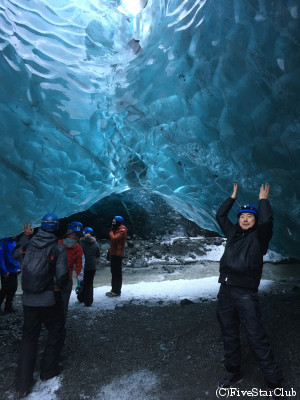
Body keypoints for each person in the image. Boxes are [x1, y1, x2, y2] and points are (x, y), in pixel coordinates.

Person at [215, 183, 283, 396]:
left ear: (254, 221)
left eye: (249, 216)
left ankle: (274, 381)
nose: (245, 219)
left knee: (255, 335)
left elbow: (267, 222)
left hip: (245, 293)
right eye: (242, 216)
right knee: (228, 333)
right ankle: (234, 372)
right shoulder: (233, 233)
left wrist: (263, 201)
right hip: (225, 290)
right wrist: (232, 198)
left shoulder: (259, 239)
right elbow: (220, 216)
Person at [14, 214, 69, 397]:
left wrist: (26, 236)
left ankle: (22, 384)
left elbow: (16, 255)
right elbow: (61, 276)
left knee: (29, 337)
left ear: (41, 226)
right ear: (56, 228)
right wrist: (58, 288)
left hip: (28, 299)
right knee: (55, 330)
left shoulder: (29, 245)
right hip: (48, 299)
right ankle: (48, 371)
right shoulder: (57, 249)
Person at [58, 221, 84, 321]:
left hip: (55, 278)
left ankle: (51, 323)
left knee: (54, 302)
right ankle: (61, 324)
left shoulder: (58, 243)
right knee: (64, 304)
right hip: (67, 279)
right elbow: (80, 267)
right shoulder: (78, 248)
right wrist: (79, 283)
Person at [77, 227, 100, 307]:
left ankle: (81, 297)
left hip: (82, 266)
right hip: (92, 266)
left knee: (82, 282)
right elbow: (97, 254)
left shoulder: (80, 243)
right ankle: (88, 301)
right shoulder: (95, 243)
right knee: (89, 283)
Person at [106, 216, 127, 297]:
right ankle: (113, 290)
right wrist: (109, 253)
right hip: (114, 254)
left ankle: (117, 291)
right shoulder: (117, 229)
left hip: (118, 255)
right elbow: (113, 244)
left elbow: (114, 239)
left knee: (117, 273)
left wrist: (111, 232)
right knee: (114, 272)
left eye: (114, 222)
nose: (113, 223)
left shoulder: (122, 231)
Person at [0, 237, 21, 314]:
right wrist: (4, 271)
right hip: (7, 271)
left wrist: (18, 267)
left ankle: (8, 307)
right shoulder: (3, 242)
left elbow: (16, 256)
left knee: (13, 289)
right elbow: (0, 257)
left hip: (14, 270)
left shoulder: (14, 242)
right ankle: (6, 307)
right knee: (4, 290)